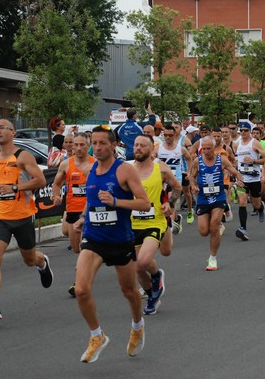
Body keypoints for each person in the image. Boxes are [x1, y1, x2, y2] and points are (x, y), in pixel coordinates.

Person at [72, 125, 151, 363]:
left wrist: (117, 201)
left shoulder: (124, 170)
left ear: (114, 145)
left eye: (102, 143)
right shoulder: (91, 169)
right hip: (94, 237)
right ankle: (97, 335)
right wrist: (84, 217)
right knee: (81, 289)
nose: (97, 148)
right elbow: (93, 200)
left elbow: (144, 204)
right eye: (94, 143)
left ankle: (137, 325)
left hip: (119, 240)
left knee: (129, 292)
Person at [0, 119, 52, 320]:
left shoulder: (23, 156)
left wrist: (15, 188)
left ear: (13, 133)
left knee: (29, 259)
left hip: (22, 217)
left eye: (3, 127)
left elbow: (40, 180)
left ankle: (42, 262)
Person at [131, 134, 181, 315]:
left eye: (142, 145)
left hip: (155, 221)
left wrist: (171, 203)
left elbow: (177, 187)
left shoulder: (161, 169)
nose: (138, 148)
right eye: (136, 145)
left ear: (152, 149)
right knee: (138, 269)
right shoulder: (127, 169)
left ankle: (155, 278)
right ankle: (153, 293)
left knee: (141, 263)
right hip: (132, 223)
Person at [189, 136, 244, 270]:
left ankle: (213, 258)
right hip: (203, 198)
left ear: (214, 148)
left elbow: (236, 172)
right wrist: (193, 186)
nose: (206, 151)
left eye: (209, 148)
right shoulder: (197, 161)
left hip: (219, 197)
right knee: (203, 231)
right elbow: (191, 176)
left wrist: (239, 181)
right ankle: (222, 218)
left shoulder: (221, 161)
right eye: (204, 149)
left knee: (214, 227)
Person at [51, 133, 95, 296]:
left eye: (82, 145)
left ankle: (80, 283)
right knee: (76, 248)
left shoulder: (95, 164)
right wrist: (56, 196)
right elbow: (56, 184)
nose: (78, 148)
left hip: (90, 211)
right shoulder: (66, 164)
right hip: (72, 210)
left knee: (84, 247)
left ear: (88, 145)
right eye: (75, 144)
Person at [233, 122, 265, 240]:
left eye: (245, 130)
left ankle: (261, 207)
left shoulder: (255, 143)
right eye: (241, 130)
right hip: (242, 178)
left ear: (250, 131)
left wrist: (254, 161)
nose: (243, 133)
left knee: (256, 204)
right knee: (242, 202)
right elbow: (236, 160)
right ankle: (243, 229)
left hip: (254, 178)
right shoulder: (237, 144)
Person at [157, 125, 192, 234]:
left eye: (170, 135)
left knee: (171, 202)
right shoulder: (158, 148)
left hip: (175, 180)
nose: (168, 137)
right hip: (161, 180)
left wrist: (189, 172)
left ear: (174, 135)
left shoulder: (180, 149)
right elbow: (150, 159)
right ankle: (176, 219)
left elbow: (189, 158)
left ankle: (170, 225)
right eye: (165, 135)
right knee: (162, 202)